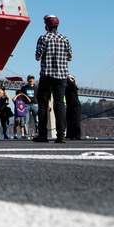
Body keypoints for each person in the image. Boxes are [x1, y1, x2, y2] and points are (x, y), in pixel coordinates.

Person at [34, 14, 73, 143]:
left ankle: (43, 135)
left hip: (47, 75)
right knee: (60, 104)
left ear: (47, 26)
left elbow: (38, 57)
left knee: (42, 104)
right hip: (62, 76)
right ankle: (61, 135)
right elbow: (70, 58)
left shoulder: (43, 38)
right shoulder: (65, 38)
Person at [66, 74, 82, 140]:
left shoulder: (73, 86)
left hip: (76, 105)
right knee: (69, 120)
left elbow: (73, 86)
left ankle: (77, 135)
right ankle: (70, 134)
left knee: (76, 120)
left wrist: (69, 80)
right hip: (69, 105)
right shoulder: (66, 86)